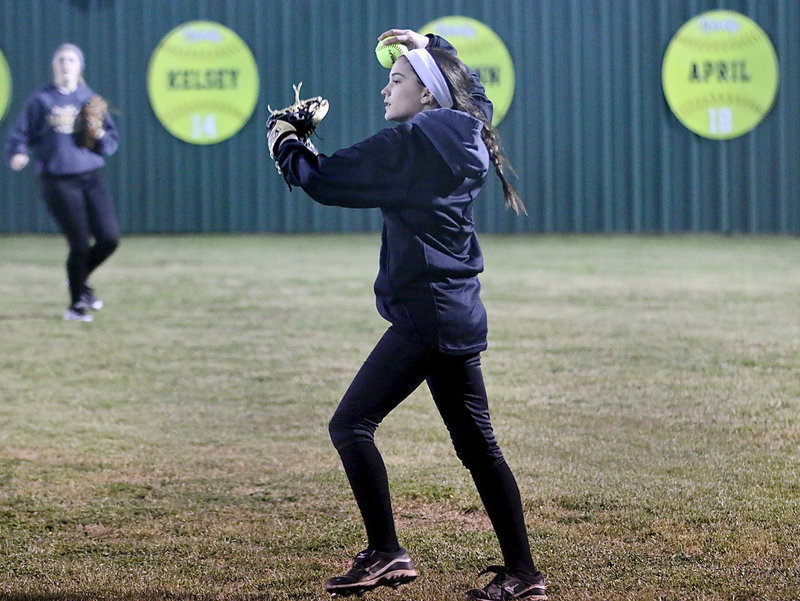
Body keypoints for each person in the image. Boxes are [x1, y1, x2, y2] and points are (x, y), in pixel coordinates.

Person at [268, 28, 547, 601]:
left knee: (350, 425)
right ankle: (525, 576)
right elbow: (475, 94)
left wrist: (286, 141)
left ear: (427, 96)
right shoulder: (468, 129)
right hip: (459, 309)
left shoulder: (412, 143)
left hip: (426, 315)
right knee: (478, 447)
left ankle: (386, 553)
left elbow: (323, 180)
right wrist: (431, 42)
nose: (384, 88)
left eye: (397, 79)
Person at [5, 43, 120, 322]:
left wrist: (101, 136)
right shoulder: (41, 101)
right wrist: (18, 152)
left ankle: (78, 280)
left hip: (90, 177)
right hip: (58, 180)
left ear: (80, 66)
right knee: (79, 244)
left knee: (109, 239)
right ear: (54, 65)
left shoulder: (90, 100)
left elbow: (109, 144)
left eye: (71, 60)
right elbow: (20, 135)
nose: (66, 64)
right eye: (61, 60)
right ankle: (75, 307)